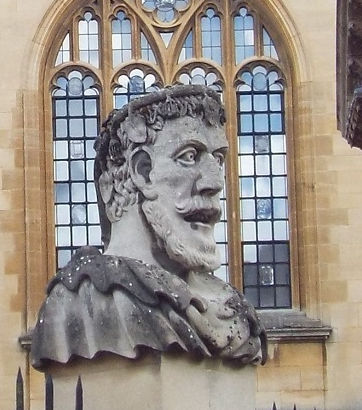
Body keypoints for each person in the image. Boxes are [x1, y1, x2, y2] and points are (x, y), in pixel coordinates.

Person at [30, 85, 265, 368]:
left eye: (218, 160)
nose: (214, 183)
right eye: (189, 156)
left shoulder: (232, 306)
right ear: (142, 172)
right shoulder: (79, 308)